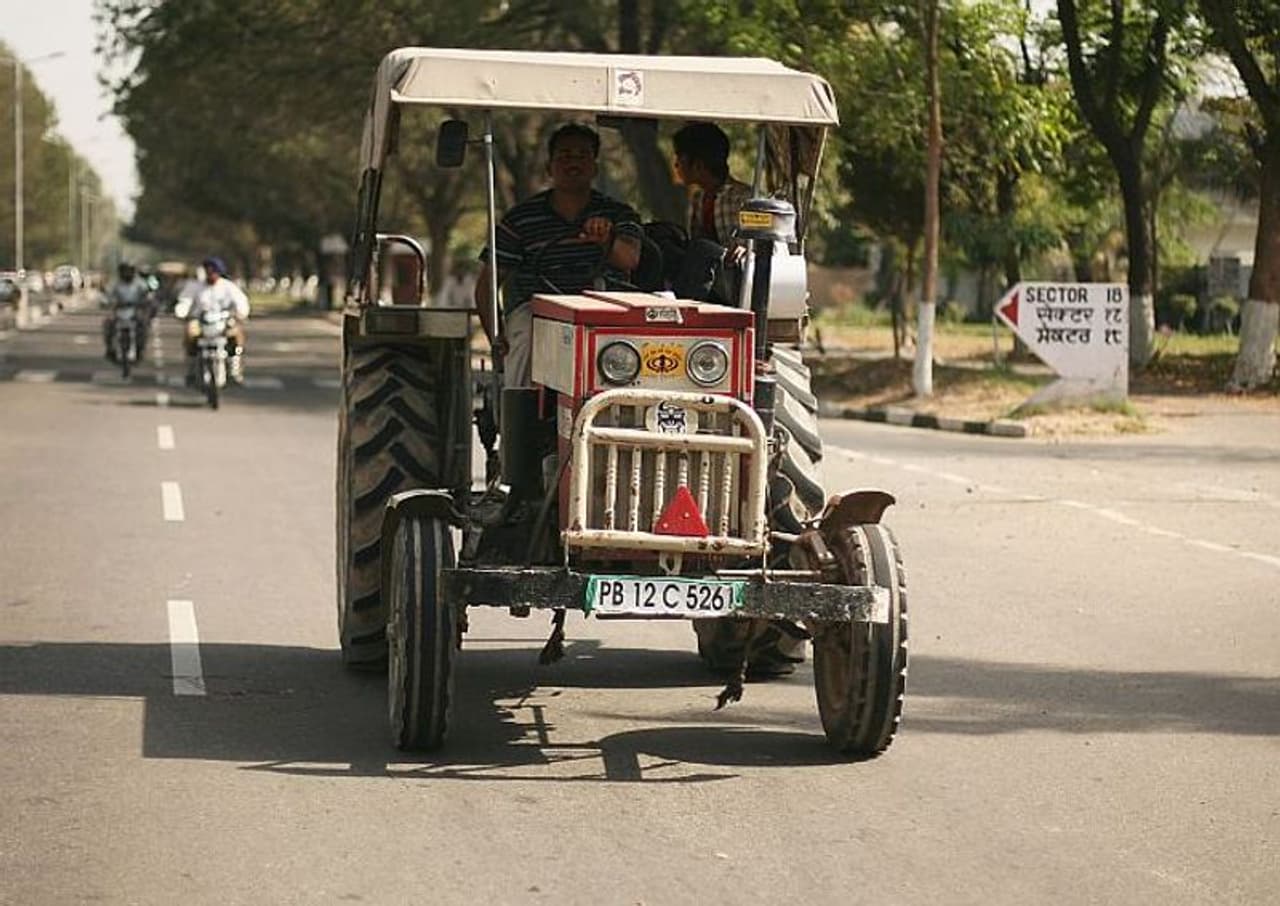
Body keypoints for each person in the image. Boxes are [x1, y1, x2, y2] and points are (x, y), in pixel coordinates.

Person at [475, 123, 642, 388]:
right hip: (538, 309)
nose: (572, 163)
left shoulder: (619, 214)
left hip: (603, 309)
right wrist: (497, 338)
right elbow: (487, 284)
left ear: (594, 167)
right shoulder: (520, 220)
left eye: (582, 156)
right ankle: (519, 417)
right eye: (564, 156)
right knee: (529, 334)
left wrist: (606, 241)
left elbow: (629, 259)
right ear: (549, 168)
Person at [663, 121, 755, 302]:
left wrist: (745, 249)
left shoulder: (743, 198)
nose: (676, 165)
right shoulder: (699, 198)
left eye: (680, 159)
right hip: (707, 278)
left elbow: (758, 247)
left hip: (733, 280)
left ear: (698, 165)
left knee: (701, 249)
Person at [183, 256, 250, 385]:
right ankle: (191, 369)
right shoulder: (195, 286)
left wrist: (241, 313)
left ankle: (234, 370)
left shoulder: (228, 287)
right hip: (200, 322)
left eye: (213, 271)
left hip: (223, 321)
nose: (210, 274)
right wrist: (182, 312)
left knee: (236, 335)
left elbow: (241, 302)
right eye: (208, 271)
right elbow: (185, 301)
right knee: (190, 333)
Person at [102, 261, 154, 362]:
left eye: (129, 271)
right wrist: (106, 302)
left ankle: (140, 347)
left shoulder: (139, 283)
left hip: (134, 311)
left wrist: (146, 301)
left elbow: (147, 294)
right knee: (107, 324)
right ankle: (109, 348)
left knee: (143, 324)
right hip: (119, 311)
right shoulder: (115, 283)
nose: (127, 274)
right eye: (124, 271)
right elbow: (107, 295)